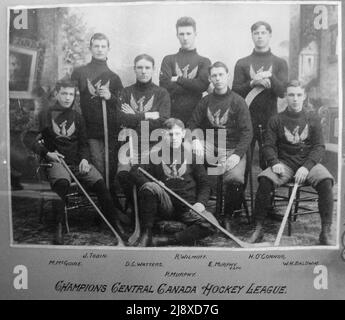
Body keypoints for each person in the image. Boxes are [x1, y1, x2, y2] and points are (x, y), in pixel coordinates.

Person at [31, 80, 124, 245]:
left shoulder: (77, 117)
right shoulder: (45, 115)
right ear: (57, 94)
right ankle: (58, 227)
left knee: (100, 183)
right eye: (64, 94)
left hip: (77, 163)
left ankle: (115, 225)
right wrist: (47, 153)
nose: (68, 98)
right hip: (57, 162)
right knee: (61, 182)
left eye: (71, 94)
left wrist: (85, 159)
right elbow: (28, 138)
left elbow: (83, 144)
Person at [248, 80, 334, 245]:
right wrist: (274, 162)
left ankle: (325, 232)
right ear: (285, 97)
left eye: (299, 95)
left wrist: (306, 167)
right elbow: (268, 146)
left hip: (309, 164)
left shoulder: (312, 118)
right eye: (291, 95)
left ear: (304, 96)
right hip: (284, 164)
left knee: (326, 181)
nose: (295, 99)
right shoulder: (276, 120)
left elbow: (319, 146)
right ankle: (258, 229)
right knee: (265, 180)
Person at [188, 61, 253, 231]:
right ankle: (193, 208)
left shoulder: (238, 101)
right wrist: (195, 140)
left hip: (232, 149)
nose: (218, 79)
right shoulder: (206, 101)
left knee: (235, 179)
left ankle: (228, 216)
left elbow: (247, 132)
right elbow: (192, 123)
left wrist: (236, 155)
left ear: (227, 76)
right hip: (210, 146)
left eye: (221, 75)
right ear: (210, 78)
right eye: (214, 76)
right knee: (187, 155)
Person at [129, 118, 214, 247]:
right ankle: (146, 234)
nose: (174, 138)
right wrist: (155, 183)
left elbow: (205, 184)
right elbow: (135, 171)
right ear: (163, 134)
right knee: (150, 186)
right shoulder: (155, 155)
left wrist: (200, 204)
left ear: (184, 134)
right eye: (170, 134)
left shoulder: (192, 155)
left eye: (177, 134)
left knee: (211, 224)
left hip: (188, 208)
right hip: (166, 206)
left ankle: (166, 240)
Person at [71, 33, 123, 196]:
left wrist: (110, 97)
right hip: (89, 129)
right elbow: (72, 98)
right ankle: (105, 206)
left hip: (110, 131)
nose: (100, 50)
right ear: (90, 48)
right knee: (99, 166)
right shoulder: (80, 73)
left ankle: (111, 206)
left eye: (103, 46)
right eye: (96, 46)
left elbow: (122, 106)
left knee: (111, 167)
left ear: (108, 49)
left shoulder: (114, 78)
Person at [117, 54, 171, 211]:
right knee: (123, 174)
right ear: (134, 69)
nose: (143, 71)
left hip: (154, 144)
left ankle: (151, 208)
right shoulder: (126, 92)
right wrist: (147, 115)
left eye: (147, 68)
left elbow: (163, 120)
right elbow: (120, 119)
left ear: (153, 70)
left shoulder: (161, 93)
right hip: (130, 145)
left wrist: (133, 116)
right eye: (139, 67)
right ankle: (137, 208)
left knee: (151, 175)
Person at [232, 21, 288, 169]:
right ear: (252, 36)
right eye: (256, 33)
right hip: (246, 119)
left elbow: (282, 92)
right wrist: (253, 83)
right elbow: (235, 91)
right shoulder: (242, 63)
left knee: (268, 163)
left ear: (270, 35)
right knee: (242, 163)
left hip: (270, 120)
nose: (260, 36)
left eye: (263, 33)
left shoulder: (279, 63)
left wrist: (270, 76)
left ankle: (264, 193)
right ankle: (239, 193)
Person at [159, 16, 211, 125]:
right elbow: (165, 86)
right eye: (182, 34)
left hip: (196, 116)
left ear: (195, 34)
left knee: (192, 141)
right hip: (172, 115)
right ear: (177, 35)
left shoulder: (204, 61)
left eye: (189, 33)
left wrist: (177, 79)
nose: (185, 38)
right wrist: (194, 85)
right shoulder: (169, 59)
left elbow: (202, 86)